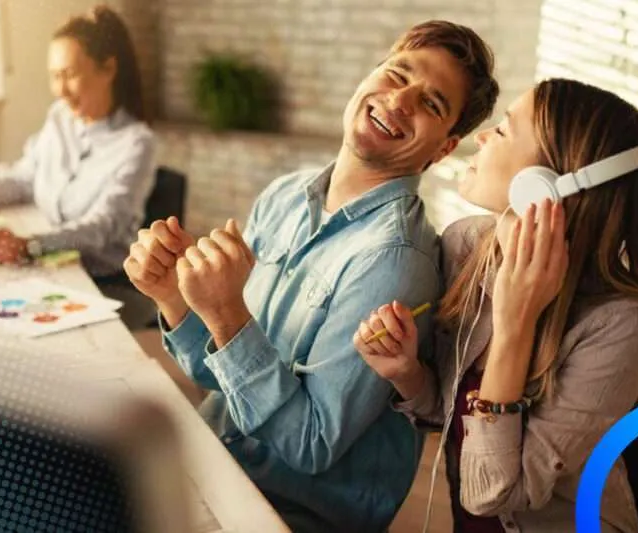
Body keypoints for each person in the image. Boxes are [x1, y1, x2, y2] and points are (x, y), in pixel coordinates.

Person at [124, 21, 500, 533]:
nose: (400, 100)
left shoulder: (394, 261)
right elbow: (227, 379)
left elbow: (310, 442)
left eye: (431, 104)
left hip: (284, 513)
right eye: (397, 74)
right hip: (215, 464)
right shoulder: (286, 195)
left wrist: (227, 314)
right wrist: (173, 298)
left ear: (442, 149)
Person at [354, 78, 638, 533]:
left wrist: (514, 325)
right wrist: (406, 372)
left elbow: (492, 493)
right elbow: (450, 416)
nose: (481, 137)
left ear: (543, 187)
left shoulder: (622, 325)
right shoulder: (466, 247)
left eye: (502, 130)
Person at [0, 5, 156, 285]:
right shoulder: (59, 117)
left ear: (108, 68)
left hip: (101, 280)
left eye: (70, 74)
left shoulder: (137, 143)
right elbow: (23, 180)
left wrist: (30, 245)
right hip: (49, 262)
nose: (60, 90)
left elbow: (102, 226)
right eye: (55, 76)